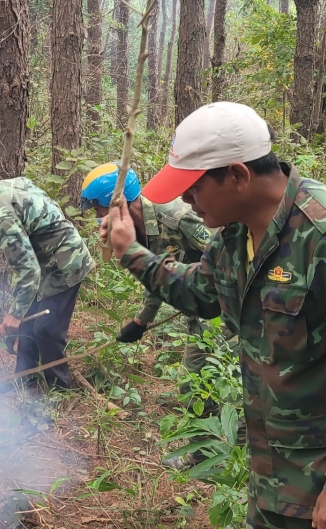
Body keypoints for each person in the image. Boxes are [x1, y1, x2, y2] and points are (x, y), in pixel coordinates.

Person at [103, 102, 326, 529]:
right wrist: (131, 252)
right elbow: (201, 293)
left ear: (237, 175)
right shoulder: (235, 233)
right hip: (279, 482)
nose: (184, 199)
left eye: (194, 187)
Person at [80, 162, 219, 468]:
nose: (99, 219)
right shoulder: (141, 229)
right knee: (204, 381)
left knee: (195, 380)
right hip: (201, 309)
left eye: (100, 211)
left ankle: (208, 457)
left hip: (224, 311)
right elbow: (160, 272)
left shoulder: (180, 218)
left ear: (119, 204)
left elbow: (228, 262)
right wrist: (141, 321)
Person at [0, 153, 95, 391]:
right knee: (26, 327)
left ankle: (61, 389)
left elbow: (29, 270)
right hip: (47, 262)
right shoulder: (6, 188)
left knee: (46, 330)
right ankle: (25, 381)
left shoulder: (2, 216)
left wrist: (13, 314)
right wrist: (18, 313)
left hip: (65, 264)